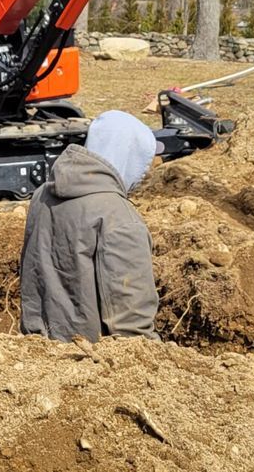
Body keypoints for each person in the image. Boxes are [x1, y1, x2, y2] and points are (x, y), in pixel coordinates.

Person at [18, 110, 159, 342]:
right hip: (90, 364)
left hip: (38, 352)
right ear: (130, 157)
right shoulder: (119, 218)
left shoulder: (42, 195)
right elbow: (132, 328)